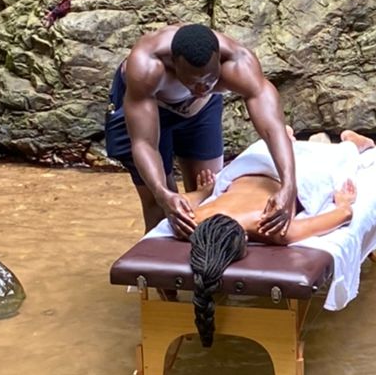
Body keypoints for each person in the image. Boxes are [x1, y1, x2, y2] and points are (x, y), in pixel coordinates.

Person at [105, 23, 297, 239]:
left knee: (211, 193)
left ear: (218, 61)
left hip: (199, 110)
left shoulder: (239, 62)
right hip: (148, 106)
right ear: (174, 65)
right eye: (194, 81)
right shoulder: (147, 65)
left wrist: (289, 185)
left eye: (210, 79)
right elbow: (144, 144)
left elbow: (273, 129)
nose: (203, 88)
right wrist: (162, 193)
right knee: (162, 210)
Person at [182, 130, 374, 346]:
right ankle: (285, 135)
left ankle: (352, 145)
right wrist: (205, 192)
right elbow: (180, 201)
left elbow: (344, 215)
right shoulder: (194, 219)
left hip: (291, 177)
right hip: (248, 166)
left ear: (244, 239)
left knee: (336, 162)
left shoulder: (265, 226)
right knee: (273, 144)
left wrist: (343, 201)